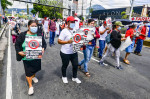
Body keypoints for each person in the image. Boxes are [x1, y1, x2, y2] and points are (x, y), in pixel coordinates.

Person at [15, 20, 47, 95]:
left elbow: (44, 44)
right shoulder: (23, 35)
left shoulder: (39, 34)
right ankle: (30, 86)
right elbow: (17, 45)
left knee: (35, 69)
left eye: (35, 26)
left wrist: (43, 49)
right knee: (28, 73)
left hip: (36, 57)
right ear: (28, 26)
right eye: (32, 26)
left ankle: (33, 76)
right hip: (27, 58)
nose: (34, 27)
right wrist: (20, 52)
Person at [58, 16, 81, 84]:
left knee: (75, 65)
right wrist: (67, 42)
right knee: (65, 65)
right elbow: (59, 41)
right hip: (65, 52)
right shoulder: (64, 31)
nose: (73, 23)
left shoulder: (75, 30)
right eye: (72, 22)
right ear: (67, 22)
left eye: (74, 22)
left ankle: (74, 77)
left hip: (74, 51)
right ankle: (64, 76)